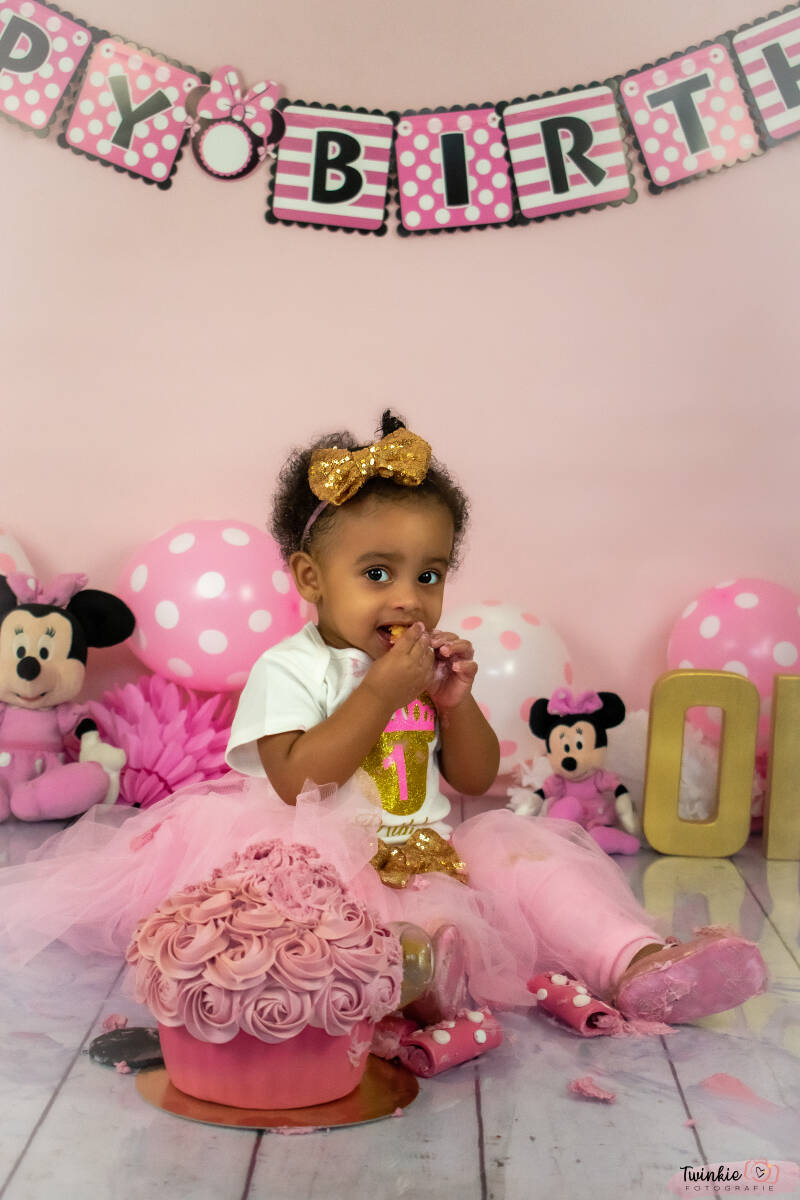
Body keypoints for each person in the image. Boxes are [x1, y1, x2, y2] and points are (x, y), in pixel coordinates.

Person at [0, 412, 766, 1026]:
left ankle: (636, 964)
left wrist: (454, 706)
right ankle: (410, 977)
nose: (408, 597)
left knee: (522, 853)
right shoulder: (289, 669)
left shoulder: (423, 667)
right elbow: (298, 780)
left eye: (428, 575)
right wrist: (380, 695)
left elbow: (474, 779)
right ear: (311, 578)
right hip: (309, 856)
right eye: (376, 573)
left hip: (428, 851)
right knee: (320, 911)